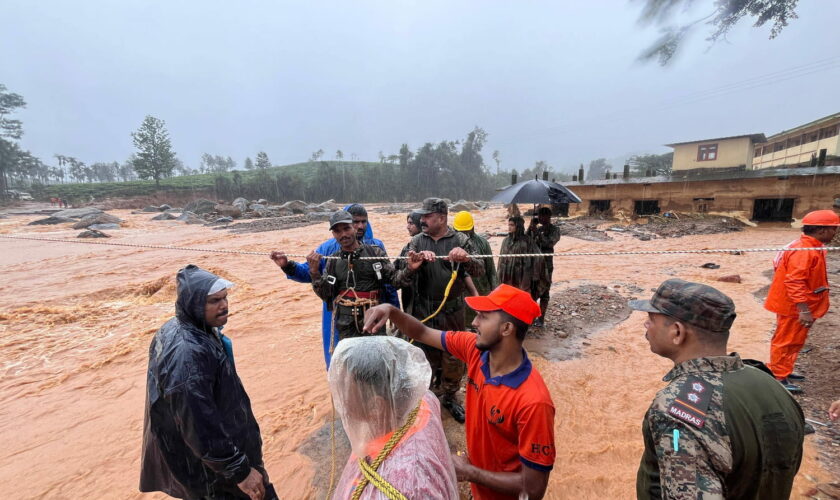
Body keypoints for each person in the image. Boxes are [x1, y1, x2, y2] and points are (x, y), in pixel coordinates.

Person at [363, 284, 556, 500]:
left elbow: (533, 489)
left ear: (507, 329)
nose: (474, 322)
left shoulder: (534, 402)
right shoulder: (474, 350)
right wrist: (391, 310)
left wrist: (470, 472)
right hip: (480, 488)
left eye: (483, 317)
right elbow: (422, 332)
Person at [632, 279, 805, 499]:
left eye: (651, 319)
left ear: (677, 332)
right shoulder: (773, 385)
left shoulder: (676, 410)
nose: (646, 325)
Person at [140, 265, 276, 500]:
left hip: (214, 461)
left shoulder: (187, 329)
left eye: (224, 298)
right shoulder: (187, 354)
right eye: (214, 301)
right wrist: (239, 470)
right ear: (194, 304)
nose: (224, 305)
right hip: (215, 473)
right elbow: (197, 423)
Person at [269, 203, 399, 368]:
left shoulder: (376, 248)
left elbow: (388, 282)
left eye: (363, 222)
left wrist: (395, 311)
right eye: (355, 222)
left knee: (378, 362)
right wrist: (287, 265)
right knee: (343, 360)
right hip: (340, 313)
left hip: (373, 312)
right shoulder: (329, 248)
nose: (359, 226)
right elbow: (307, 272)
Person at [330, 336, 458, 499]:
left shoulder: (411, 484)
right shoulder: (421, 399)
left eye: (345, 388)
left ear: (376, 407)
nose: (339, 398)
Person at [396, 197, 485, 423]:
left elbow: (479, 269)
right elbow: (397, 278)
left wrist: (465, 259)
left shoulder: (461, 239)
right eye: (422, 216)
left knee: (453, 356)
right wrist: (412, 266)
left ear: (442, 218)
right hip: (423, 311)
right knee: (422, 355)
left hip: (452, 311)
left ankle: (450, 397)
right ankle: (426, 399)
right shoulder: (416, 241)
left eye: (427, 216)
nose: (422, 220)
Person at [308, 210, 417, 341]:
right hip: (345, 325)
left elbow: (395, 281)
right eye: (337, 231)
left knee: (376, 357)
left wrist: (410, 268)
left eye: (346, 228)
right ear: (333, 234)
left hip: (374, 319)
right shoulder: (333, 260)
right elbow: (326, 295)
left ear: (354, 227)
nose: (343, 234)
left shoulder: (375, 253)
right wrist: (314, 273)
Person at [764, 209, 840, 392]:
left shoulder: (811, 246)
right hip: (793, 306)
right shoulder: (804, 251)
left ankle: (784, 369)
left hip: (797, 304)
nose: (835, 233)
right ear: (822, 230)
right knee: (786, 340)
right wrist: (803, 309)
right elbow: (794, 281)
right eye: (833, 229)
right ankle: (777, 376)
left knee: (795, 340)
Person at [453, 210, 499, 325]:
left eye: (466, 230)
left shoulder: (482, 243)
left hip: (482, 290)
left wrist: (495, 291)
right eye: (460, 231)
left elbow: (491, 269)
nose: (463, 234)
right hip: (460, 294)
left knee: (483, 323)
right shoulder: (450, 242)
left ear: (472, 227)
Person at [498, 216, 546, 302]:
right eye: (508, 225)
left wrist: (534, 274)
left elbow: (539, 258)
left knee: (522, 298)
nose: (509, 227)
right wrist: (500, 275)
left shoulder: (527, 241)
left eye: (512, 225)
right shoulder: (505, 241)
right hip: (508, 275)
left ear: (518, 226)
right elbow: (501, 260)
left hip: (522, 276)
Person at [527, 207, 561, 327]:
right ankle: (531, 316)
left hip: (547, 265)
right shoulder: (538, 229)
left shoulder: (555, 230)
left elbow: (550, 243)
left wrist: (538, 234)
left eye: (542, 216)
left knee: (545, 291)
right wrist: (530, 228)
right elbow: (527, 241)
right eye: (539, 216)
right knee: (533, 290)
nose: (540, 218)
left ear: (548, 217)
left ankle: (541, 319)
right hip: (535, 264)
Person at [395, 210, 423, 317]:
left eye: (411, 223)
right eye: (408, 223)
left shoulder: (428, 246)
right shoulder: (406, 248)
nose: (407, 227)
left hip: (423, 302)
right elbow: (395, 268)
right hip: (409, 298)